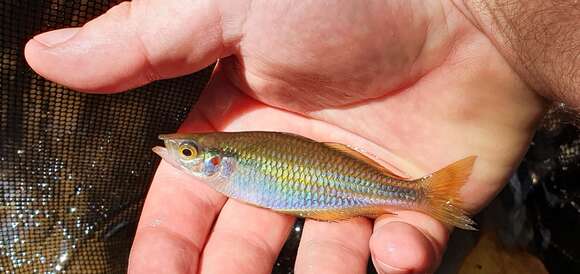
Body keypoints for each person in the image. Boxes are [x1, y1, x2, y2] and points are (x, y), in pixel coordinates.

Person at [23, 1, 577, 273]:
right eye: (188, 152)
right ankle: (425, 195)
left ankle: (424, 194)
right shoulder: (234, 158)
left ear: (219, 160)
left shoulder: (234, 160)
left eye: (191, 152)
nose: (180, 153)